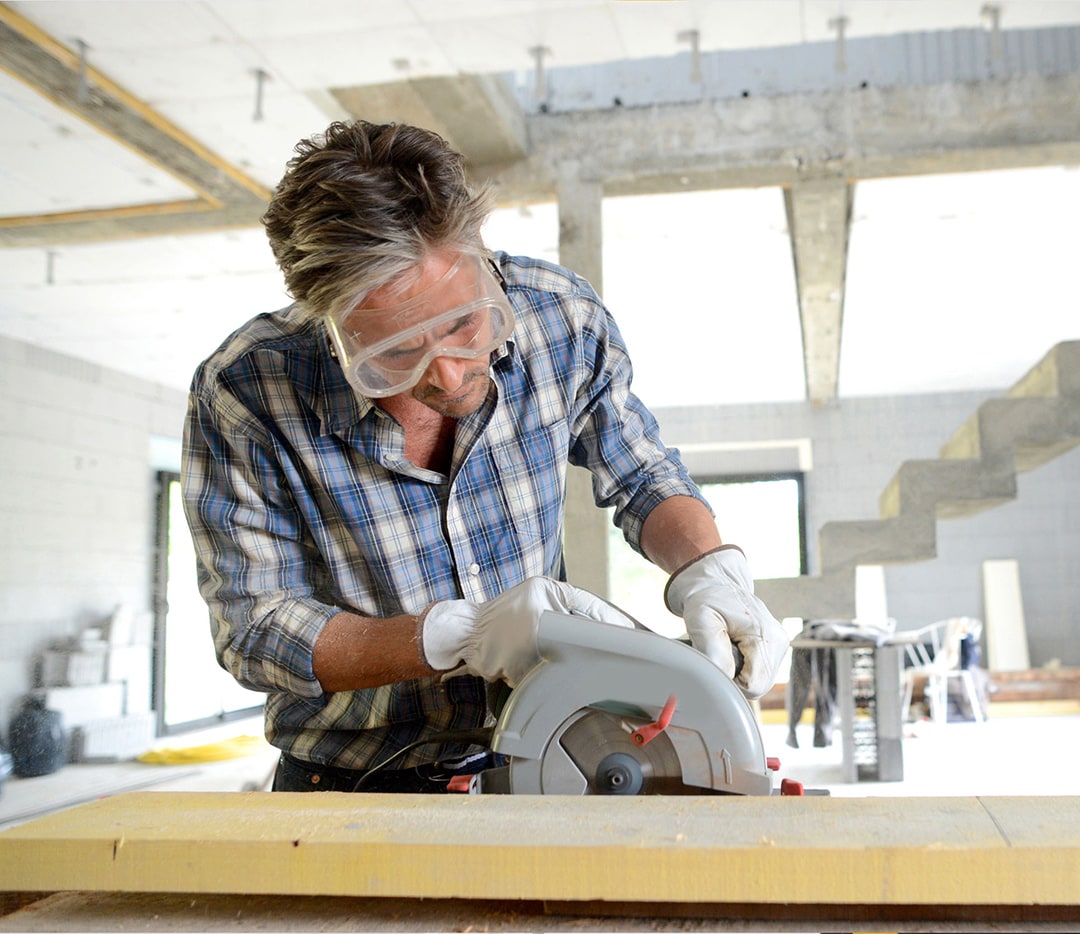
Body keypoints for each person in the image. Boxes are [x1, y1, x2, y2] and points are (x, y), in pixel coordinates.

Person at [181, 120, 788, 793]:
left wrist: (708, 575)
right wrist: (456, 637)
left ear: (478, 253)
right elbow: (256, 627)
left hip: (551, 755)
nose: (447, 375)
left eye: (464, 325)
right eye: (396, 353)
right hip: (352, 777)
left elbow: (643, 473)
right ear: (331, 324)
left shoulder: (560, 319)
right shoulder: (248, 390)